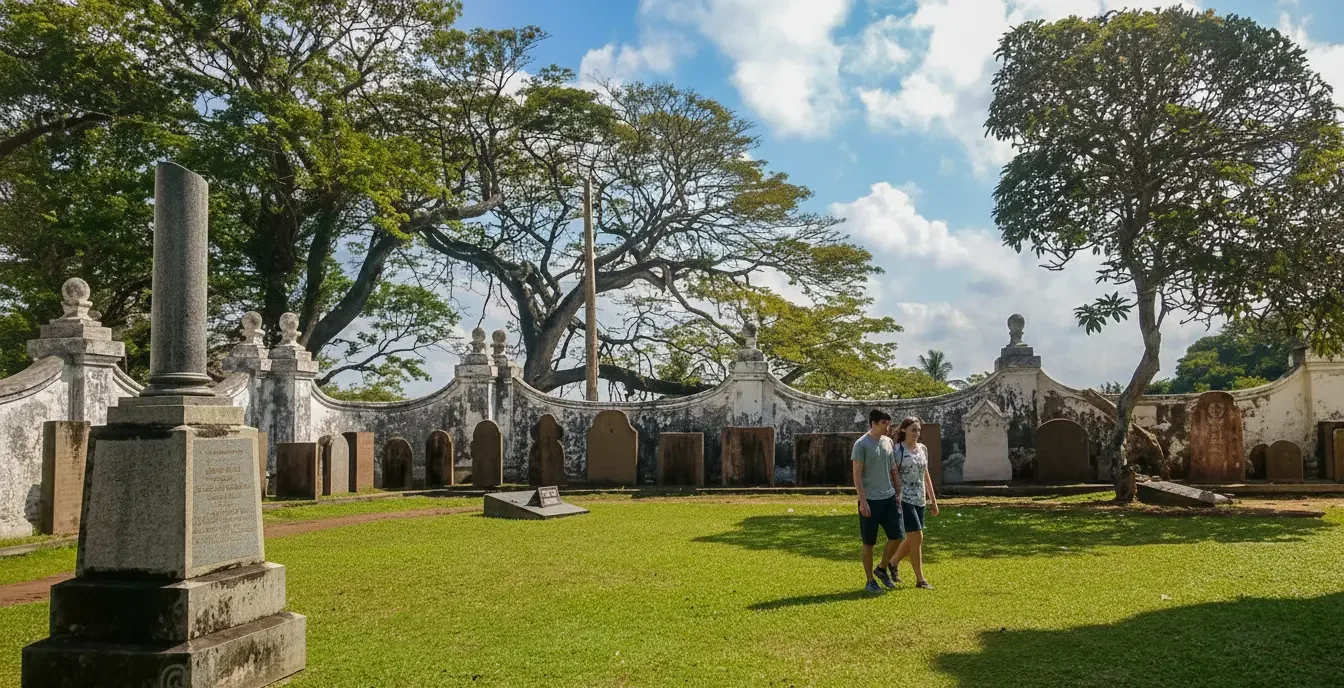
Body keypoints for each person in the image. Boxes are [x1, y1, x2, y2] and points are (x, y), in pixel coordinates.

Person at [852, 409, 904, 594]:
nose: (887, 427)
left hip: (889, 497)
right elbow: (857, 474)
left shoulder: (888, 442)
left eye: (889, 424)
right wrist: (863, 501)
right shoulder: (861, 444)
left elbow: (893, 469)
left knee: (897, 536)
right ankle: (870, 580)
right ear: (873, 423)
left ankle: (881, 568)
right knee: (869, 542)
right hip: (870, 500)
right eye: (884, 423)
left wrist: (899, 492)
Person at [890, 416, 939, 590]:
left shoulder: (922, 449)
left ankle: (892, 563)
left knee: (913, 538)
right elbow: (892, 474)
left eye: (918, 430)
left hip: (920, 498)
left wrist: (933, 499)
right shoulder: (897, 450)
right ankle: (920, 580)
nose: (916, 433)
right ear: (904, 430)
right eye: (913, 430)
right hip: (904, 498)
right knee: (917, 536)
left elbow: (925, 474)